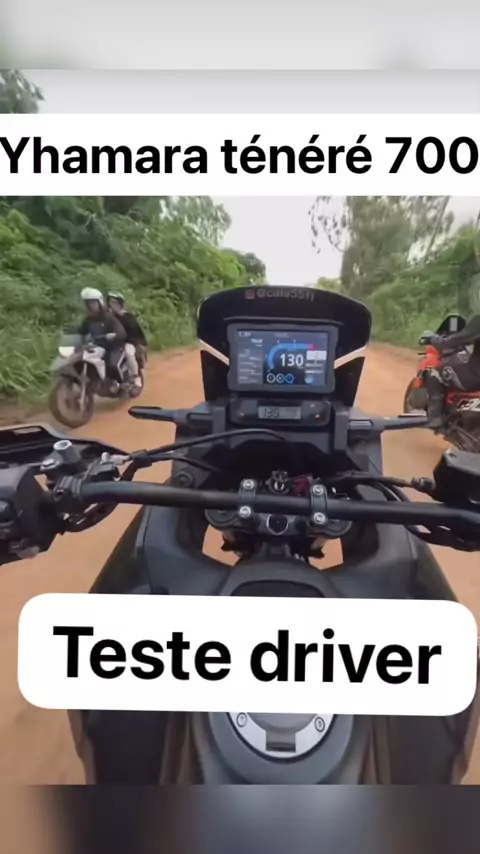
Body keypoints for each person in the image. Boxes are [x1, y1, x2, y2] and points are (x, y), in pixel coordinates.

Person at [424, 313, 480, 428]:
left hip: (476, 378)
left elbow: (455, 340)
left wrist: (434, 339)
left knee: (435, 374)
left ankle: (436, 417)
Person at [78, 287, 126, 380]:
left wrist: (114, 335)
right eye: (88, 303)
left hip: (112, 347)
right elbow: (81, 332)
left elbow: (121, 332)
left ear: (99, 303)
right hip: (96, 348)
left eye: (93, 302)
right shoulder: (88, 320)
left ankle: (119, 383)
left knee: (112, 365)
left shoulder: (108, 317)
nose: (91, 305)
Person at [106, 292, 148, 388]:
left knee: (129, 353)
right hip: (114, 344)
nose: (112, 305)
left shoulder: (128, 317)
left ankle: (136, 376)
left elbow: (133, 331)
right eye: (110, 302)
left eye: (114, 302)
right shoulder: (109, 318)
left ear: (120, 304)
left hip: (129, 342)